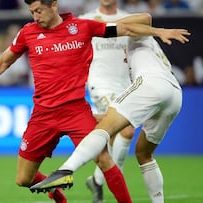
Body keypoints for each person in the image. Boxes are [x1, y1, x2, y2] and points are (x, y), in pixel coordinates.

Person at [0, 0, 190, 202]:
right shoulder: (28, 33)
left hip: (75, 109)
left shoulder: (82, 27)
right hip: (42, 114)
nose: (35, 16)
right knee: (23, 179)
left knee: (104, 159)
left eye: (38, 10)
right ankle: (59, 197)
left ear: (53, 5)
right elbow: (4, 61)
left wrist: (158, 32)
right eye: (31, 12)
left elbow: (125, 29)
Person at [29, 10, 190, 203]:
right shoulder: (145, 50)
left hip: (151, 83)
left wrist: (105, 25)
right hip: (174, 94)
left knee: (104, 130)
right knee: (144, 154)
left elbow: (144, 18)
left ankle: (66, 170)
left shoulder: (135, 35)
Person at [78, 1, 134, 202]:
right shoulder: (85, 20)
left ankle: (97, 181)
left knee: (112, 136)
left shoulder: (129, 18)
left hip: (127, 85)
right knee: (126, 129)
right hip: (100, 83)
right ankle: (110, 182)